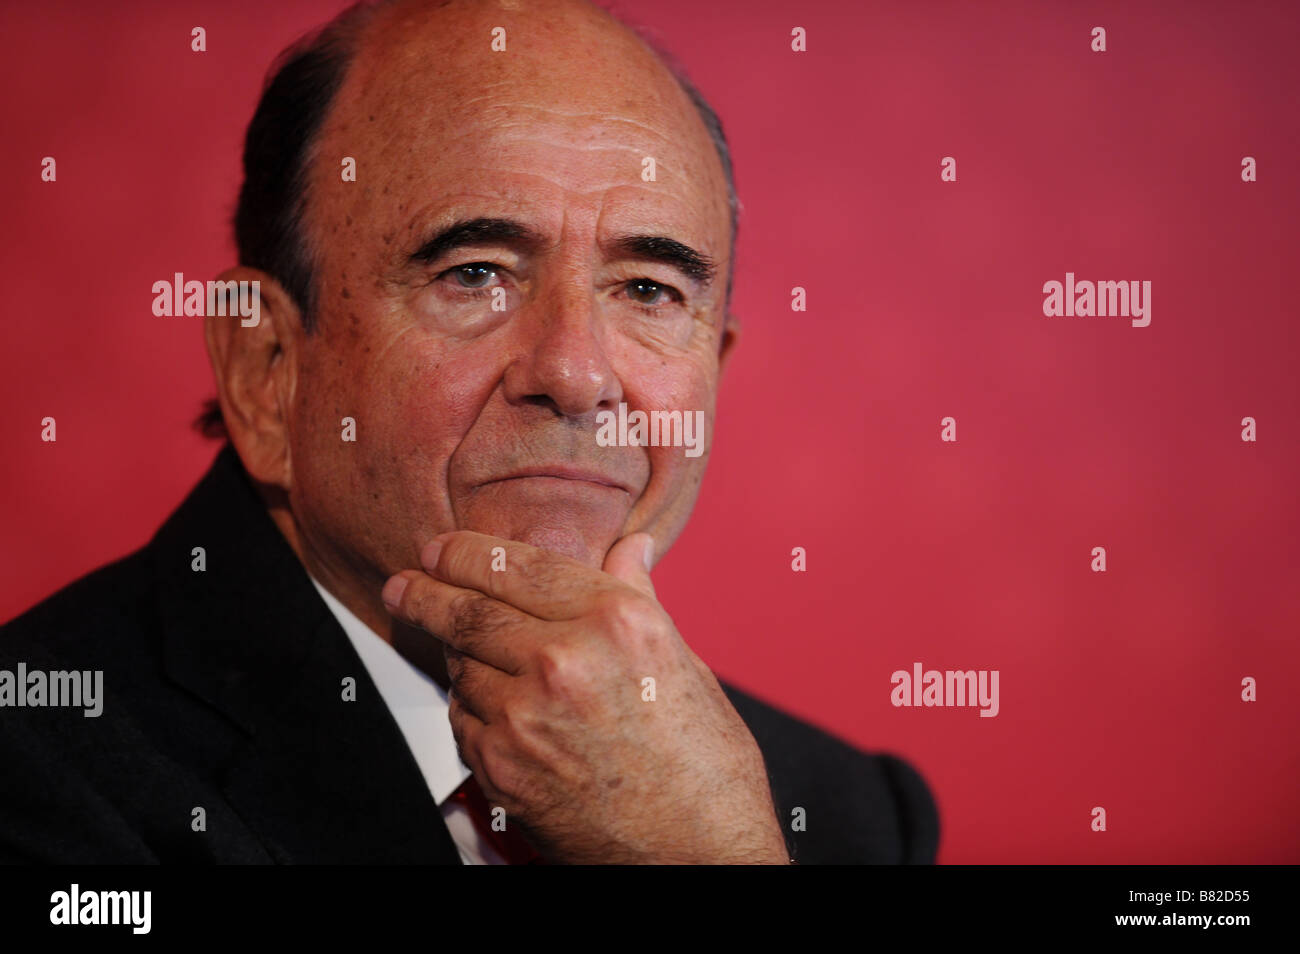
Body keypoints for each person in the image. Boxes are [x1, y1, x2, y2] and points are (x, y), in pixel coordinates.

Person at [0, 0, 938, 864]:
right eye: (475, 273)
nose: (577, 375)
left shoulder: (840, 818)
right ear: (265, 370)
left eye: (648, 290)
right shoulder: (37, 769)